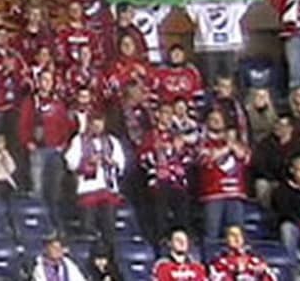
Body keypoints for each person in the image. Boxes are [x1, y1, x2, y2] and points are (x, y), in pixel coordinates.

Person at [18, 69, 72, 228]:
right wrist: (27, 141)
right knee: (37, 188)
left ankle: (54, 224)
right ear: (38, 82)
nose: (46, 83)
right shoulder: (30, 102)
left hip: (55, 150)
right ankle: (38, 224)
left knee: (54, 189)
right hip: (38, 150)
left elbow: (65, 125)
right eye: (43, 80)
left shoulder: (57, 103)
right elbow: (23, 124)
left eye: (49, 80)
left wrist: (63, 144)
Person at [64, 113, 126, 244]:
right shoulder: (78, 140)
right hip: (88, 188)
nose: (97, 126)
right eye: (94, 123)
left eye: (100, 123)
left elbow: (121, 162)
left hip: (108, 188)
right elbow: (71, 162)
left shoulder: (112, 141)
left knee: (109, 228)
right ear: (89, 124)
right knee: (88, 229)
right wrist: (87, 161)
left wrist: (111, 162)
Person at [139, 104, 194, 244]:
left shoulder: (178, 136)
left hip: (178, 181)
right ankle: (161, 241)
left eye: (171, 113)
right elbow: (143, 159)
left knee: (182, 214)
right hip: (158, 181)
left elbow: (189, 159)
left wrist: (180, 151)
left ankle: (181, 240)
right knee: (160, 214)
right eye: (165, 113)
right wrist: (157, 152)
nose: (169, 116)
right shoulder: (150, 136)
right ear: (158, 115)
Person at [199, 109, 251, 242]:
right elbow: (207, 158)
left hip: (235, 193)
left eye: (219, 119)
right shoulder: (203, 142)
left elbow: (244, 156)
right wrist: (228, 147)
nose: (216, 122)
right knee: (212, 235)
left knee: (237, 234)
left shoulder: (236, 142)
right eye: (212, 119)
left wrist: (231, 143)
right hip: (214, 194)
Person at [187, 0, 251, 81]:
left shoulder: (233, 4)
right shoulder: (199, 5)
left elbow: (248, 0)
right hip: (208, 47)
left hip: (229, 46)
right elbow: (188, 5)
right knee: (210, 79)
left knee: (229, 79)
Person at [208, 225, 277, 281]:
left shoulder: (256, 260)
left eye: (239, 235)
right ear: (226, 239)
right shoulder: (217, 263)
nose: (237, 238)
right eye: (232, 235)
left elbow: (270, 277)